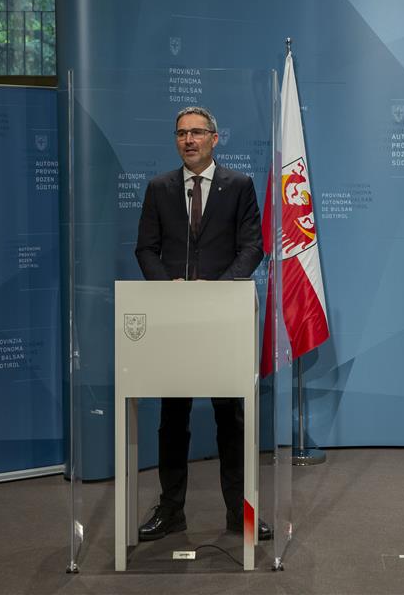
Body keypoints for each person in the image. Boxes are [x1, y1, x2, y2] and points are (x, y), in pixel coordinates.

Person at [134, 106, 271, 542]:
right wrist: (169, 287)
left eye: (196, 132)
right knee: (173, 417)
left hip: (222, 318)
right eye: (181, 134)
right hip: (174, 320)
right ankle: (171, 510)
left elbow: (253, 247)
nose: (188, 140)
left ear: (215, 137)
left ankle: (240, 512)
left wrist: (219, 290)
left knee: (230, 417)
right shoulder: (159, 188)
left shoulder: (239, 185)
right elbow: (145, 249)